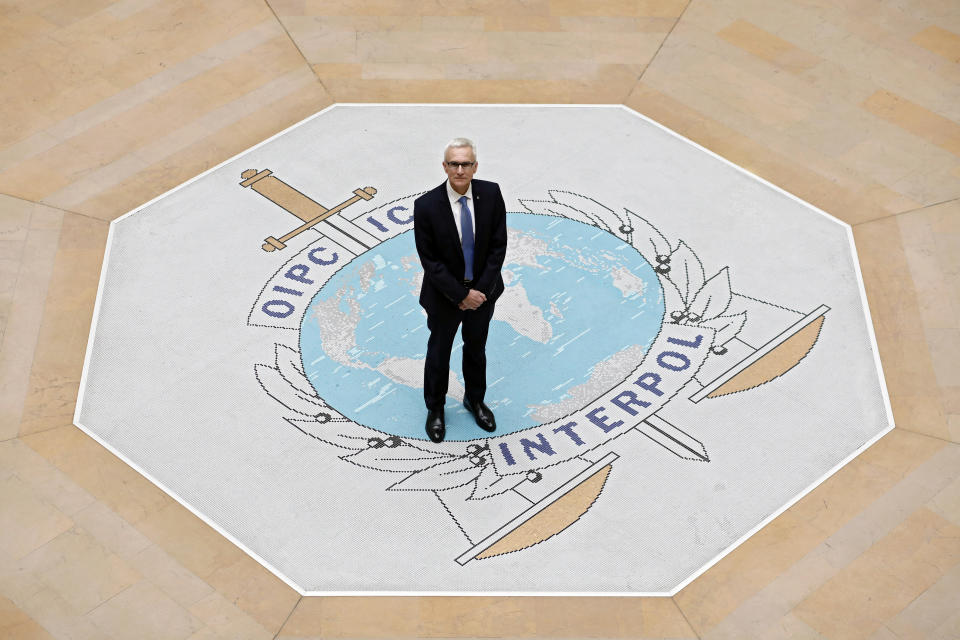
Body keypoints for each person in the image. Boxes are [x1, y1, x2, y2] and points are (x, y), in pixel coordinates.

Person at [413, 138, 508, 443]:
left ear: (474, 166)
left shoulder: (491, 194)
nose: (459, 169)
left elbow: (498, 246)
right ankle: (436, 409)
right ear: (445, 166)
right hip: (444, 297)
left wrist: (479, 291)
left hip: (483, 294)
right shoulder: (426, 206)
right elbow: (430, 260)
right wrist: (460, 295)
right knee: (439, 354)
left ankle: (475, 400)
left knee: (476, 349)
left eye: (465, 163)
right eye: (453, 163)